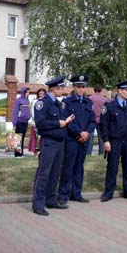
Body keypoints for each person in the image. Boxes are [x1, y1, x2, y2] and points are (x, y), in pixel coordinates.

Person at [32, 76, 75, 216]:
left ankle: (50, 199)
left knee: (55, 173)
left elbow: (61, 120)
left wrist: (65, 122)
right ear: (55, 88)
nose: (63, 90)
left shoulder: (58, 104)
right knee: (44, 173)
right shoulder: (42, 103)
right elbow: (40, 123)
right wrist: (58, 123)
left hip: (60, 142)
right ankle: (38, 204)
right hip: (49, 142)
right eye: (62, 88)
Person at [100, 79, 127, 202]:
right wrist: (106, 140)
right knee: (112, 167)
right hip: (115, 141)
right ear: (119, 91)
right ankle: (108, 192)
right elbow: (104, 125)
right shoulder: (109, 105)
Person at [58, 75, 96, 204]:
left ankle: (76, 193)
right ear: (74, 87)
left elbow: (92, 120)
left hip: (84, 140)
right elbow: (67, 121)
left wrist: (86, 133)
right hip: (72, 140)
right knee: (68, 167)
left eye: (83, 87)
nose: (81, 89)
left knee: (79, 167)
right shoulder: (67, 102)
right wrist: (79, 133)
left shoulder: (88, 102)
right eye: (78, 87)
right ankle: (63, 195)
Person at [87, 84, 108, 156]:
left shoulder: (89, 98)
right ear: (101, 90)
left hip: (91, 119)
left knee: (90, 136)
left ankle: (88, 152)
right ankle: (101, 152)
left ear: (94, 90)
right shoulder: (104, 99)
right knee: (101, 137)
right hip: (101, 119)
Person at [12, 86, 32, 157]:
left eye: (28, 92)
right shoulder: (18, 100)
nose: (27, 94)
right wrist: (14, 123)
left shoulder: (28, 101)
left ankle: (21, 153)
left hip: (25, 122)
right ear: (23, 92)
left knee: (22, 137)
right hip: (19, 122)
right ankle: (17, 154)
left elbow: (28, 110)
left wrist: (29, 117)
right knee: (18, 138)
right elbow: (15, 112)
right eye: (26, 92)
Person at [28, 88, 46, 157]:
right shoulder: (35, 101)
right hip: (36, 123)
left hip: (44, 123)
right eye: (40, 94)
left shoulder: (46, 102)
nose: (41, 95)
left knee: (41, 138)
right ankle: (35, 152)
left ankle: (41, 152)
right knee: (35, 138)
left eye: (43, 94)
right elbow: (33, 112)